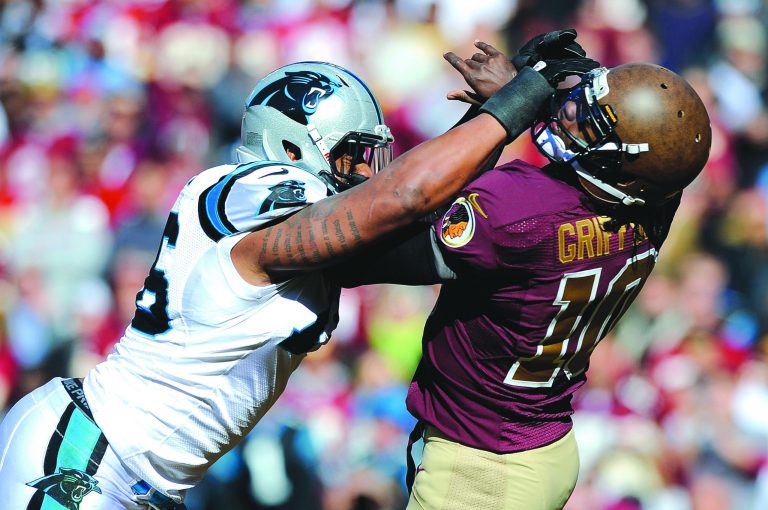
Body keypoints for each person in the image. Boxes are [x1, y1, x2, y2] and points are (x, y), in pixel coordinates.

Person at [0, 54, 563, 509]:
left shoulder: (297, 217)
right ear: (291, 148)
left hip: (135, 472)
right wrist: (510, 111)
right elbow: (400, 199)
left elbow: (420, 220)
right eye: (352, 156)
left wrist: (501, 124)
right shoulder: (249, 190)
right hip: (87, 455)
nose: (366, 172)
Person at [335, 32, 712, 510]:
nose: (570, 109)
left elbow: (370, 249)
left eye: (590, 122)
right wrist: (541, 87)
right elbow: (654, 141)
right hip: (543, 443)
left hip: (482, 468)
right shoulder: (656, 204)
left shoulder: (519, 208)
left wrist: (500, 113)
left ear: (616, 162)